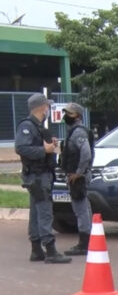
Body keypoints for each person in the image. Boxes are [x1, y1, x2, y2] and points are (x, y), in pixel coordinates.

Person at [15, 93, 71, 264]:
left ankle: (37, 250)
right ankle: (51, 250)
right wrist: (44, 150)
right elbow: (21, 148)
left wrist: (48, 145)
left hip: (40, 175)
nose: (48, 109)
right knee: (45, 212)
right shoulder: (27, 126)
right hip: (38, 176)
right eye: (47, 106)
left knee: (36, 213)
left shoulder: (37, 127)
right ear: (41, 107)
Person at [60, 103, 94, 255]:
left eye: (70, 113)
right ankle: (88, 241)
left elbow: (86, 153)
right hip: (77, 176)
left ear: (78, 116)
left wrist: (78, 173)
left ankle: (84, 244)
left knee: (81, 210)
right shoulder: (75, 131)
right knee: (83, 208)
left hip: (78, 178)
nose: (67, 116)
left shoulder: (78, 133)